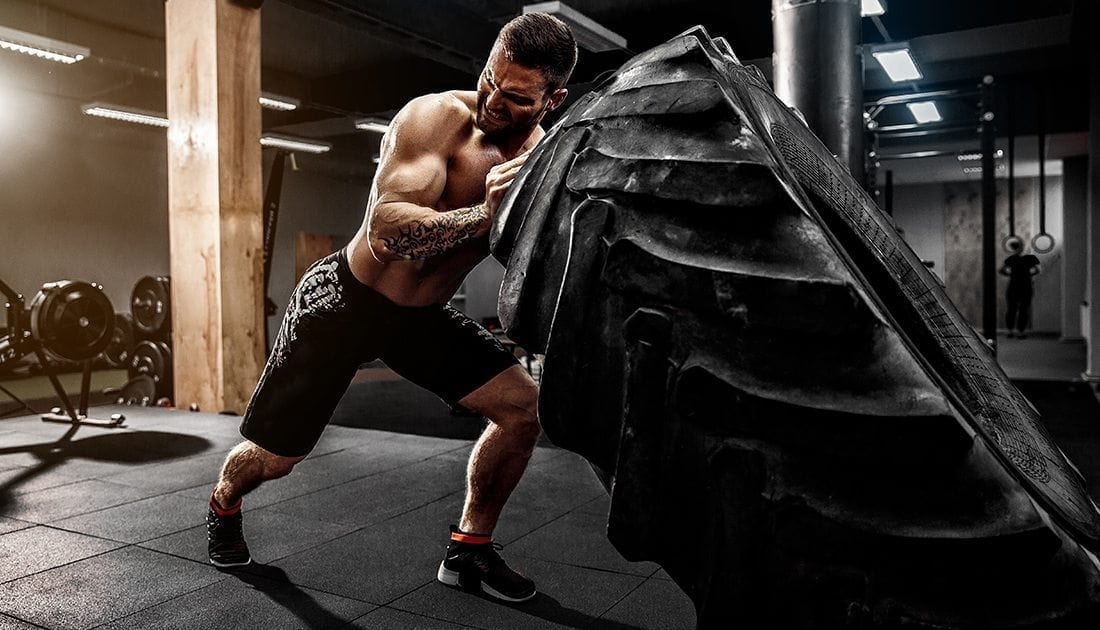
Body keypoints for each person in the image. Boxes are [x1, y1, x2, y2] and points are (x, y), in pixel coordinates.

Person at [204, 13, 576, 603]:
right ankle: (223, 501)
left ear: (551, 99)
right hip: (344, 299)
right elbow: (388, 233)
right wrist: (487, 212)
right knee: (277, 459)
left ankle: (469, 552)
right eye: (488, 80)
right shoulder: (434, 120)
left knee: (522, 409)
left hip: (417, 319)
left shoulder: (542, 160)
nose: (492, 101)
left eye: (515, 96)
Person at [999, 239, 1041, 338]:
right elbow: (1037, 270)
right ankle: (1018, 332)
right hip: (1024, 286)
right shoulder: (1029, 258)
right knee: (1021, 310)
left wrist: (1012, 275)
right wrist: (1028, 275)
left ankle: (1011, 331)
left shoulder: (1013, 259)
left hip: (1015, 286)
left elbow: (1002, 270)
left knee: (1013, 309)